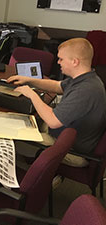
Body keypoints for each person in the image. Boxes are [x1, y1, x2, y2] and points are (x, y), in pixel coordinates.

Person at [8, 38, 106, 167]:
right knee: (22, 121)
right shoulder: (85, 78)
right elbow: (57, 86)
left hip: (72, 151)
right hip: (66, 135)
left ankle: (39, 175)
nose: (58, 62)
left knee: (10, 137)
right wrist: (28, 80)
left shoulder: (85, 90)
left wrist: (32, 94)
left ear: (74, 62)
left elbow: (53, 121)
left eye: (61, 59)